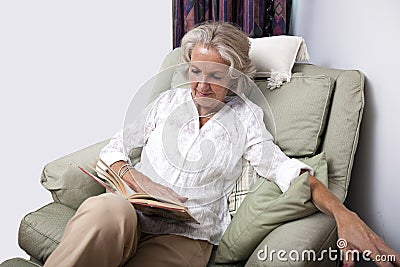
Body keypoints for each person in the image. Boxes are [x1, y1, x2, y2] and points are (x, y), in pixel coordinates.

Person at [44, 22, 400, 267]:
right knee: (106, 210)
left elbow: (284, 170)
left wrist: (344, 214)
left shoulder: (246, 120)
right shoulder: (168, 103)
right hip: (132, 216)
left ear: (237, 77)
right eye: (195, 72)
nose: (201, 86)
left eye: (215, 76)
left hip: (188, 235)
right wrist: (139, 181)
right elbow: (114, 149)